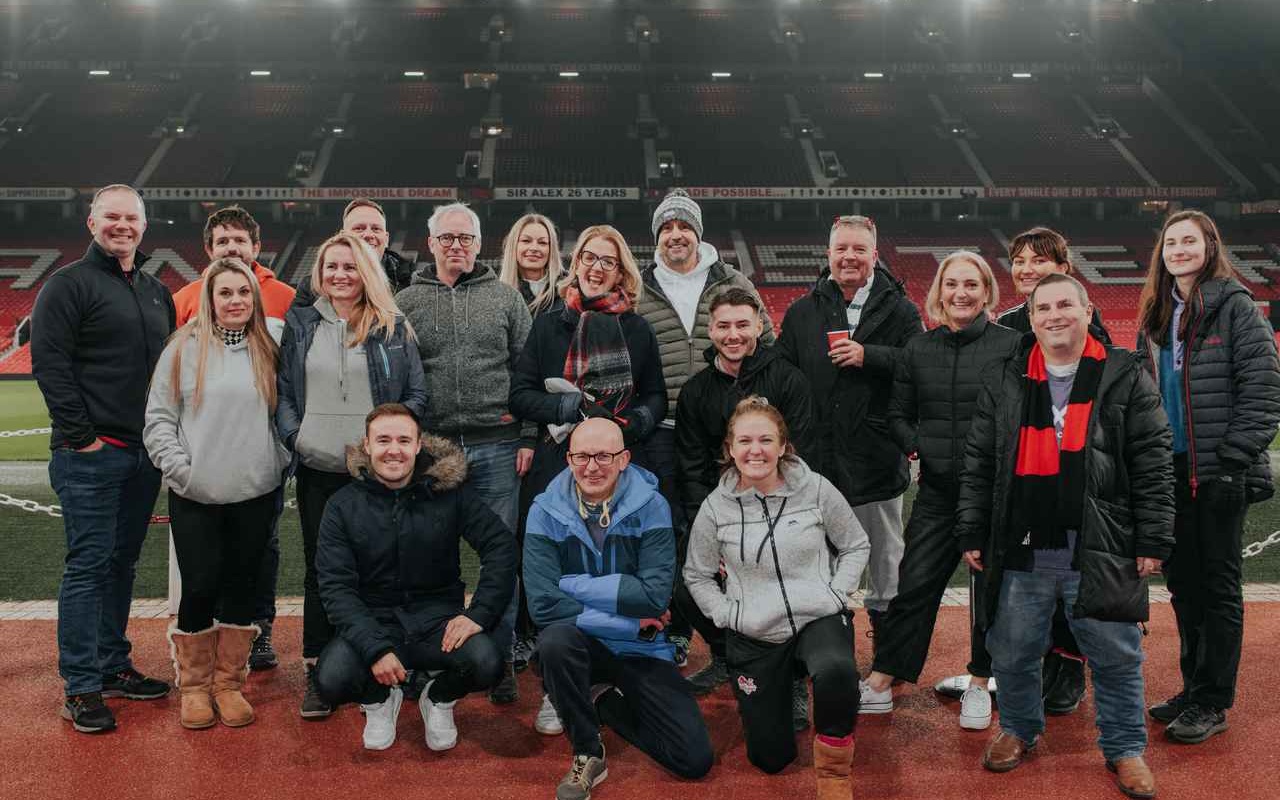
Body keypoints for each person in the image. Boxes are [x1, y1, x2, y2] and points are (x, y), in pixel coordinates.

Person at [955, 273, 1173, 800]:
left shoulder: (1123, 372)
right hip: (1022, 542)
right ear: (1030, 319)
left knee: (1116, 654)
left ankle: (1124, 748)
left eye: (1064, 305)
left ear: (1086, 309)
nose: (1054, 315)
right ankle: (1020, 729)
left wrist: (1153, 539)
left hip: (1099, 542)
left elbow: (1152, 460)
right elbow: (981, 459)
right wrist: (970, 527)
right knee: (1012, 649)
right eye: (1043, 308)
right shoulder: (1005, 375)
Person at [935, 227, 1108, 714]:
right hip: (1021, 475)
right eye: (1019, 260)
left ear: (1065, 268)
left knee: (1070, 578)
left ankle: (1069, 668)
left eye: (1039, 260)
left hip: (1071, 476)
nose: (1028, 268)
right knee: (1028, 580)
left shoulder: (1082, 322)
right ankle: (1023, 673)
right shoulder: (1011, 321)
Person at [32, 183, 175, 734]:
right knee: (90, 566)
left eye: (131, 218)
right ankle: (82, 686)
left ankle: (113, 666)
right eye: (111, 216)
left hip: (142, 456)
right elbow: (50, 364)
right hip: (91, 455)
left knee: (121, 565)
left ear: (144, 225)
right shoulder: (66, 285)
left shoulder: (154, 289)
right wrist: (81, 437)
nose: (122, 225)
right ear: (91, 223)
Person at [1135, 210, 1280, 744]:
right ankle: (1193, 687)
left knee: (1217, 589)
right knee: (1183, 587)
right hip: (1166, 471)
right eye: (1171, 242)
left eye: (1189, 240)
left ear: (1209, 246)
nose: (1178, 249)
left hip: (1216, 472)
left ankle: (1214, 701)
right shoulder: (1156, 311)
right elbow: (1142, 395)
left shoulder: (1236, 306)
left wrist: (1232, 460)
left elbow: (1264, 390)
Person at [509, 224, 667, 715]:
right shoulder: (548, 322)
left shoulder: (637, 328)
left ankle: (616, 657)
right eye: (589, 258)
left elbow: (655, 395)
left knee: (614, 560)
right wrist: (570, 407)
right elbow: (521, 394)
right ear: (575, 263)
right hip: (561, 458)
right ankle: (558, 676)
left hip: (615, 461)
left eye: (609, 261)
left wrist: (633, 424)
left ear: (623, 272)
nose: (597, 268)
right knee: (555, 562)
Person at [858, 251, 1018, 730]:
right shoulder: (918, 349)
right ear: (939, 292)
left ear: (987, 292)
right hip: (939, 492)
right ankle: (887, 675)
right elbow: (897, 415)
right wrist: (920, 446)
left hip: (995, 493)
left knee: (992, 590)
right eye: (952, 284)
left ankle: (980, 682)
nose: (961, 293)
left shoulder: (1013, 345)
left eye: (971, 284)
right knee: (914, 582)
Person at [684, 397, 868, 797]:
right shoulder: (715, 509)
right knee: (770, 759)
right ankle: (788, 685)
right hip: (755, 631)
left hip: (816, 616)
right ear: (730, 449)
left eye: (766, 440)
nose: (756, 450)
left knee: (838, 671)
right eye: (745, 441)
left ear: (783, 446)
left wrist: (836, 592)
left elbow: (855, 544)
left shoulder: (816, 488)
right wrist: (727, 614)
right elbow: (696, 575)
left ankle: (835, 772)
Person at [277, 231, 427, 719]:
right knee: (323, 571)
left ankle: (392, 659)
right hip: (319, 468)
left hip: (376, 474)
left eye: (349, 266)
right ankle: (320, 667)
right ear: (319, 273)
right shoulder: (300, 323)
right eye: (331, 266)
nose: (340, 275)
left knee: (387, 566)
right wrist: (298, 437)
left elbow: (417, 395)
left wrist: (390, 447)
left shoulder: (392, 324)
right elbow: (284, 393)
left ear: (366, 271)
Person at [525, 418, 713, 800]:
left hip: (641, 648)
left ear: (624, 458)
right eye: (581, 456)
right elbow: (542, 603)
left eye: (604, 456)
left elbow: (654, 597)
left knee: (693, 759)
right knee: (554, 642)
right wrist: (626, 622)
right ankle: (588, 751)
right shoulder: (543, 510)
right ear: (568, 458)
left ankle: (603, 702)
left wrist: (570, 583)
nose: (591, 467)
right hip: (596, 640)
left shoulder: (653, 505)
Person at [313, 404, 517, 752]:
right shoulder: (342, 505)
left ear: (419, 444)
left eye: (404, 440)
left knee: (488, 663)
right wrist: (374, 648)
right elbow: (336, 586)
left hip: (437, 619)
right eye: (384, 440)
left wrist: (477, 615)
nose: (394, 450)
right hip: (374, 618)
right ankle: (379, 700)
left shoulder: (450, 494)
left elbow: (501, 547)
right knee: (330, 679)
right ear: (367, 445)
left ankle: (437, 698)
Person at [395, 202, 534, 704]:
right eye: (447, 238)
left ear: (480, 244)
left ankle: (500, 659)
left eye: (465, 238)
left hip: (497, 443)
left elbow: (528, 372)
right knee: (426, 559)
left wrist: (529, 436)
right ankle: (428, 657)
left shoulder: (506, 299)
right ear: (430, 244)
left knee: (500, 557)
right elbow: (398, 377)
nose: (456, 246)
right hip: (432, 450)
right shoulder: (406, 301)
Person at [144, 258, 290, 729]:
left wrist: (278, 461)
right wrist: (183, 472)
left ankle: (229, 684)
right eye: (225, 293)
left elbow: (285, 413)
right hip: (197, 493)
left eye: (243, 293)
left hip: (256, 491)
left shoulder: (269, 347)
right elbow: (159, 419)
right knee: (200, 585)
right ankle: (194, 687)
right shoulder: (183, 348)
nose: (235, 301)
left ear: (255, 298)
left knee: (241, 586)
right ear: (209, 299)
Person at [637, 187, 774, 669]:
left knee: (736, 533)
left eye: (684, 226)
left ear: (698, 232)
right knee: (671, 534)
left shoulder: (731, 280)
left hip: (726, 433)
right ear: (657, 236)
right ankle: (678, 628)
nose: (676, 235)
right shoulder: (639, 285)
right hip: (660, 430)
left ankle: (742, 631)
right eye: (667, 227)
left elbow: (766, 341)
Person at [776, 214, 922, 651]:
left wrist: (869, 355)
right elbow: (783, 371)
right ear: (829, 254)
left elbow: (918, 365)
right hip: (818, 461)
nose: (849, 257)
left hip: (878, 456)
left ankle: (887, 641)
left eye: (859, 249)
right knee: (820, 558)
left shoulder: (901, 309)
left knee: (884, 558)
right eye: (842, 248)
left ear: (875, 256)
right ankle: (828, 638)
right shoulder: (804, 310)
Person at [673, 287, 816, 696]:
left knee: (782, 588)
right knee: (684, 585)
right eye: (723, 325)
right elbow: (692, 468)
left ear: (758, 325)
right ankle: (726, 655)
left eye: (741, 324)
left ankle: (792, 683)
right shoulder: (697, 391)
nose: (732, 334)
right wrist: (714, 534)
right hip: (721, 514)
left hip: (781, 511)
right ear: (710, 330)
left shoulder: (788, 379)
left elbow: (801, 456)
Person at [171, 204, 296, 671]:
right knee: (205, 563)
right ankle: (204, 659)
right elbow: (171, 384)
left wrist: (280, 451)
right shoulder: (185, 298)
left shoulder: (286, 296)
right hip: (204, 453)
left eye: (240, 241)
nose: (232, 248)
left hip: (259, 457)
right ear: (208, 250)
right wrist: (181, 460)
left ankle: (256, 634)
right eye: (222, 241)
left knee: (259, 552)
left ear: (257, 247)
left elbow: (292, 381)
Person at [499, 211, 565, 317]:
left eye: (542, 242)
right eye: (526, 240)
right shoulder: (498, 294)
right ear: (513, 246)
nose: (534, 248)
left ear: (551, 249)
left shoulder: (569, 288)